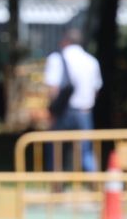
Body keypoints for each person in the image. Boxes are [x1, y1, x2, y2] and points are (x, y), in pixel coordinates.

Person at [41, 27, 103, 171]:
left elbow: (53, 88)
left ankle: (56, 188)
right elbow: (96, 89)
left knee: (56, 152)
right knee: (86, 152)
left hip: (63, 112)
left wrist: (52, 111)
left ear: (65, 41)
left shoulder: (57, 58)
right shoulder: (91, 61)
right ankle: (95, 185)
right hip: (84, 111)